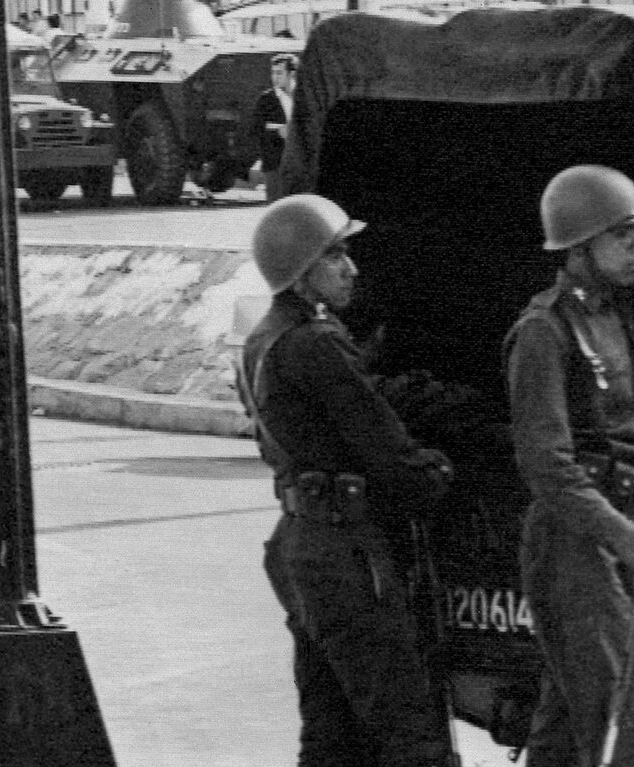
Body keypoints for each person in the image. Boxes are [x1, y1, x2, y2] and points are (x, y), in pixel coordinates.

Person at [240, 194, 458, 767]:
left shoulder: (264, 338)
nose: (351, 269)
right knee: (411, 730)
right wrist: (438, 472)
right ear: (301, 271)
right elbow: (385, 449)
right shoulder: (316, 341)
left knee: (332, 734)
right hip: (345, 552)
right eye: (335, 256)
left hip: (300, 543)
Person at [507, 165, 634, 767]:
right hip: (576, 546)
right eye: (621, 235)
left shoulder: (614, 314)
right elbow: (546, 466)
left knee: (564, 727)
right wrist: (622, 535)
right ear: (581, 247)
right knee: (620, 727)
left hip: (615, 537)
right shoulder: (544, 331)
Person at [253, 53, 297, 201]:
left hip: (300, 167)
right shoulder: (266, 100)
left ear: (292, 73)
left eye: (279, 73)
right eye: (273, 72)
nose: (275, 77)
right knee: (277, 214)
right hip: (274, 166)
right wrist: (278, 132)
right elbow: (255, 131)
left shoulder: (304, 97)